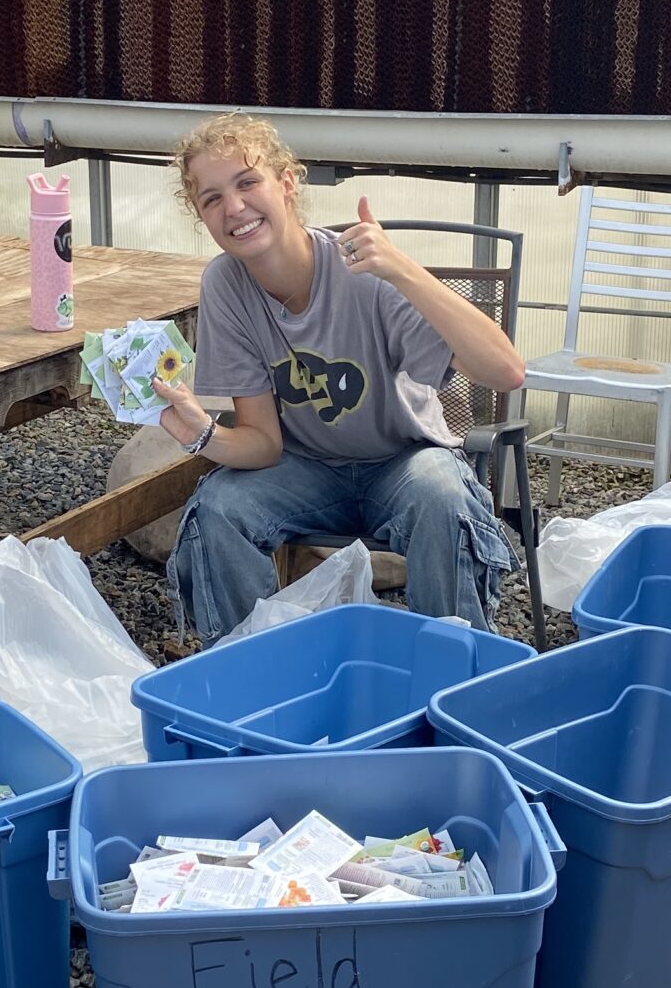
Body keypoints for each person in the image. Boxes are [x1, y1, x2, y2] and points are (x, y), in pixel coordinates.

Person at [155, 113, 523, 645]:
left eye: (247, 182)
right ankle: (254, 684)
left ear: (287, 183)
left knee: (444, 497)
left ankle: (452, 681)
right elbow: (261, 443)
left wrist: (402, 268)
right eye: (211, 198)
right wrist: (202, 435)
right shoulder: (226, 284)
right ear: (201, 216)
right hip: (305, 470)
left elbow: (505, 372)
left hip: (403, 461)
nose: (233, 208)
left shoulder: (363, 271)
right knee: (217, 511)